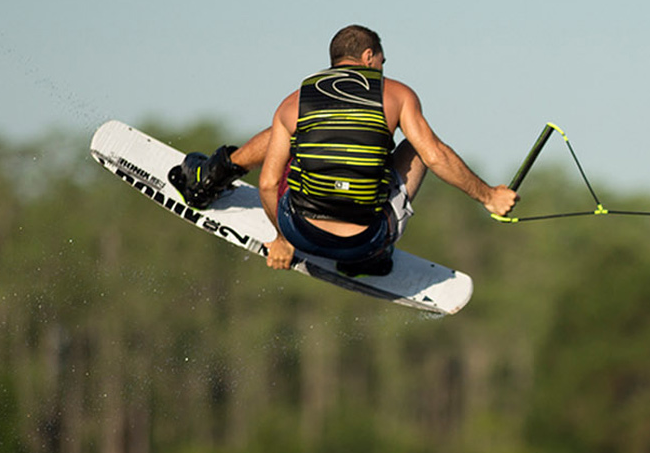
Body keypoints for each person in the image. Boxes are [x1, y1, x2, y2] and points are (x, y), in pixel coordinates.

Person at [170, 24, 519, 276]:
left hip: (300, 232)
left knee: (300, 135)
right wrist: (488, 196)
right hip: (365, 239)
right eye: (382, 61)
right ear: (369, 56)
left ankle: (209, 177)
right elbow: (434, 156)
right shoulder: (396, 95)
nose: (383, 70)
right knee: (415, 145)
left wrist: (282, 240)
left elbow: (266, 184)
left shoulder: (294, 102)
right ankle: (368, 259)